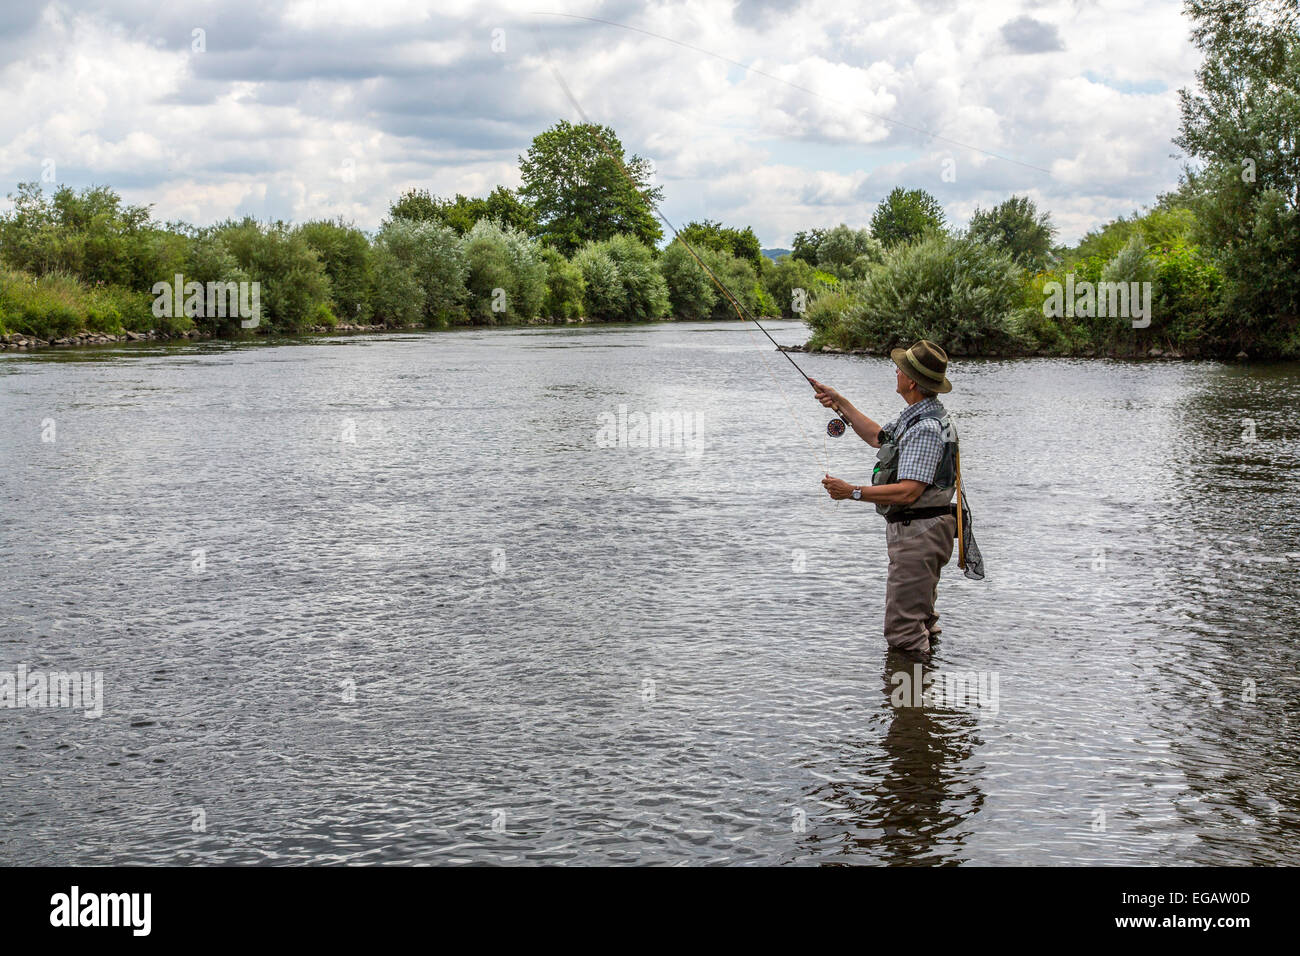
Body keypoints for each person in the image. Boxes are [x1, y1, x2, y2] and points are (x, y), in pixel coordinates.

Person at [812, 340, 960, 655]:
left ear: (911, 382)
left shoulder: (926, 428)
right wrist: (841, 403)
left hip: (919, 534)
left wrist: (851, 492)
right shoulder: (921, 414)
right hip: (924, 531)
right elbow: (879, 437)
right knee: (921, 619)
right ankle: (921, 696)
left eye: (901, 368)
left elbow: (909, 490)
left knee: (904, 632)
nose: (895, 371)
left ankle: (908, 698)